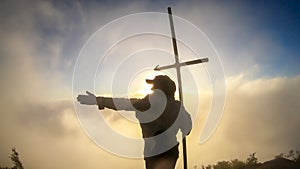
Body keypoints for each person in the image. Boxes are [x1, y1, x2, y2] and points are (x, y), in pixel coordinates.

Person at [77, 75, 192, 169]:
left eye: (154, 86)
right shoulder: (178, 108)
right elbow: (187, 129)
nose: (152, 89)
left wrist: (98, 100)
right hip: (170, 152)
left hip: (153, 153)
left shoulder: (146, 104)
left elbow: (121, 103)